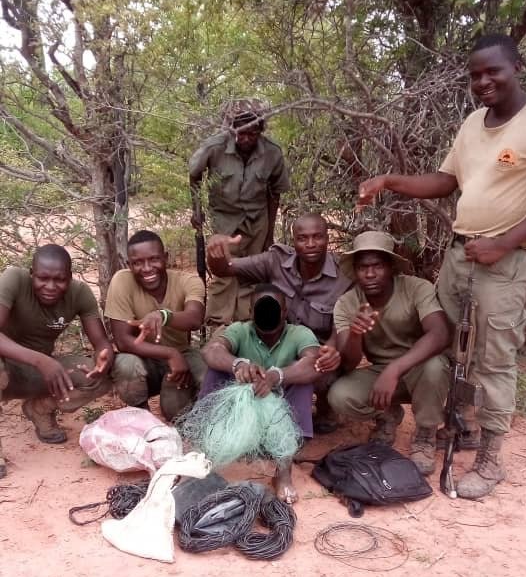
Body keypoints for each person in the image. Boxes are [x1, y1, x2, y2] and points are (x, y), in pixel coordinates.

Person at [357, 34, 526, 498]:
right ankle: (457, 426)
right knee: (446, 348)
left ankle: (490, 459)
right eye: (476, 74)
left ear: (517, 66)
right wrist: (389, 180)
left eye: (492, 71)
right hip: (461, 256)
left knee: (493, 359)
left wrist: (505, 242)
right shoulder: (474, 123)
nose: (483, 81)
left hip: (504, 259)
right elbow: (445, 181)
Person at [206, 212, 350, 431]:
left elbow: (343, 322)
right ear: (294, 241)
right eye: (303, 238)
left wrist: (332, 348)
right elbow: (224, 269)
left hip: (315, 355)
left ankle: (324, 405)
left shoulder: (345, 275)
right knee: (234, 357)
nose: (310, 244)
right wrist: (215, 253)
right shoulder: (275, 261)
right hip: (275, 343)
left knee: (322, 367)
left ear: (327, 238)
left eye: (317, 237)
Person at [327, 231, 450, 475]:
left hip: (419, 367)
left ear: (391, 266)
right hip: (380, 372)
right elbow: (349, 364)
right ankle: (387, 414)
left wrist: (394, 369)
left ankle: (426, 434)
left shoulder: (416, 288)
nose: (370, 274)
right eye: (363, 268)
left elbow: (440, 334)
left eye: (377, 266)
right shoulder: (347, 302)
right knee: (340, 396)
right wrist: (355, 334)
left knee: (435, 366)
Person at [200, 283, 321, 504]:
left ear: (285, 312)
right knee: (215, 369)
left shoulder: (299, 333)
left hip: (282, 415)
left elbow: (314, 363)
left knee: (304, 381)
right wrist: (237, 365)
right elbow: (211, 350)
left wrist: (277, 376)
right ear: (251, 312)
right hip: (245, 411)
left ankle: (283, 471)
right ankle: (206, 455)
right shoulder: (239, 329)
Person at [0, 244, 114, 476]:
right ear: (32, 273)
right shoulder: (14, 278)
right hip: (7, 365)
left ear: (70, 278)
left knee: (99, 376)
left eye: (60, 280)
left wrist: (104, 359)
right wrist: (42, 361)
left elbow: (101, 343)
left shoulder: (80, 293)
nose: (50, 286)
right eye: (42, 278)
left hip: (37, 373)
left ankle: (40, 409)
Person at [189, 100, 290, 326]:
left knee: (252, 270)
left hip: (257, 219)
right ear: (231, 128)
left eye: (251, 133)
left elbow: (275, 193)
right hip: (224, 218)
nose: (245, 139)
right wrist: (196, 210)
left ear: (260, 130)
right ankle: (218, 324)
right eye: (240, 133)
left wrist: (270, 232)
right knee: (224, 271)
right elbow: (194, 176)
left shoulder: (272, 152)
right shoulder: (214, 146)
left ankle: (246, 322)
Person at [105, 230, 206, 421]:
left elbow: (194, 319)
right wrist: (170, 354)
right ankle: (142, 415)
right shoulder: (122, 281)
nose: (147, 268)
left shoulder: (188, 281)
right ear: (129, 264)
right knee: (125, 364)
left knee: (175, 413)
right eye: (138, 263)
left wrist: (164, 316)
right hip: (145, 359)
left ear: (166, 258)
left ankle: (202, 411)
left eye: (154, 259)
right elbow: (123, 341)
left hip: (181, 356)